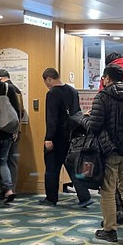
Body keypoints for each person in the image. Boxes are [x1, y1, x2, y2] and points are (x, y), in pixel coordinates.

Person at [78, 64, 123, 243]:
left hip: (108, 149)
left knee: (108, 190)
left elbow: (95, 126)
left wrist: (84, 119)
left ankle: (110, 229)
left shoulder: (103, 97)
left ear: (106, 78)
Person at [41, 67, 91, 207]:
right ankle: (84, 196)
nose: (46, 84)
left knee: (52, 168)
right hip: (72, 136)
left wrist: (48, 137)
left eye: (46, 82)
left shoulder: (52, 94)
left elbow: (51, 118)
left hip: (57, 137)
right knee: (72, 167)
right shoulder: (72, 91)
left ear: (49, 79)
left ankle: (51, 198)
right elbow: (77, 113)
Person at [0, 62, 20, 203]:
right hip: (7, 131)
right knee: (4, 161)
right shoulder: (7, 88)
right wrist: (15, 130)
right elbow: (17, 111)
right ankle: (9, 189)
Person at [0, 68, 24, 192]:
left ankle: (6, 189)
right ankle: (12, 188)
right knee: (11, 160)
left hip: (3, 130)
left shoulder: (4, 88)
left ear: (0, 77)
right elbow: (20, 111)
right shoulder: (17, 89)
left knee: (3, 161)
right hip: (13, 128)